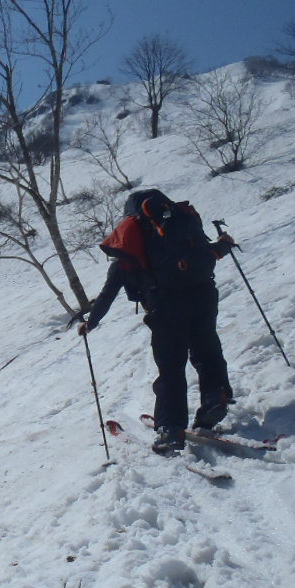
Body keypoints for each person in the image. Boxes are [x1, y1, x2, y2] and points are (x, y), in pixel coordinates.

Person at [78, 188, 238, 454]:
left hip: (166, 307)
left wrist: (91, 322)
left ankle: (170, 429)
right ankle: (215, 396)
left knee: (171, 367)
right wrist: (225, 244)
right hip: (203, 295)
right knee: (207, 349)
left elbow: (109, 292)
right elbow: (206, 255)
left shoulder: (133, 244)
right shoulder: (179, 226)